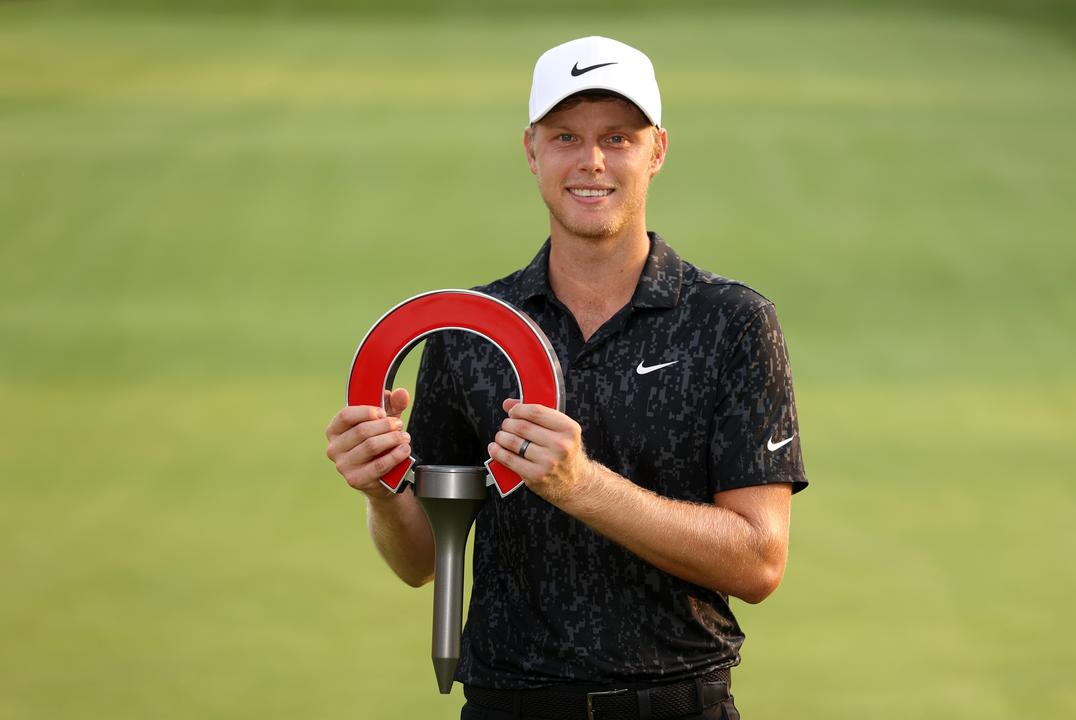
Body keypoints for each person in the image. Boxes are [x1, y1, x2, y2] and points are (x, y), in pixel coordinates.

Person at [324, 36, 807, 719]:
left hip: (676, 704)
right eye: (565, 137)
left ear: (657, 150)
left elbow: (759, 562)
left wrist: (581, 486)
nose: (592, 162)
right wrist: (381, 489)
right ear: (531, 150)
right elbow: (423, 560)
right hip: (506, 704)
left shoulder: (729, 323)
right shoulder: (471, 331)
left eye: (618, 137)